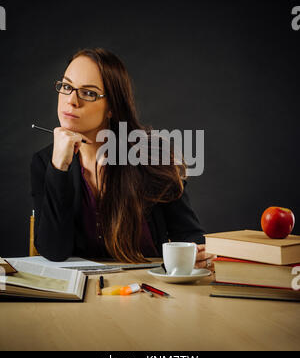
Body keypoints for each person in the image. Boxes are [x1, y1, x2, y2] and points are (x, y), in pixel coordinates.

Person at [30, 48, 215, 270]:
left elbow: (190, 236)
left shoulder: (151, 156)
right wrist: (58, 167)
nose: (71, 101)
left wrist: (194, 255)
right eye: (67, 87)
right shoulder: (45, 163)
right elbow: (53, 251)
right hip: (83, 296)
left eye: (88, 93)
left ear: (112, 108)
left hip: (148, 291)